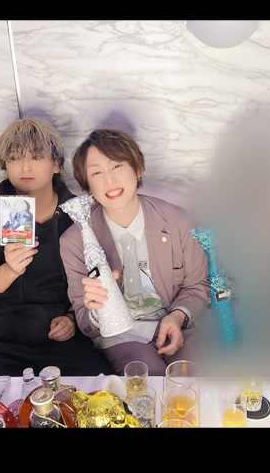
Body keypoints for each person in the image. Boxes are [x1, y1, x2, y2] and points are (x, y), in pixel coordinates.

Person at [0, 118, 113, 377]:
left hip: (58, 341)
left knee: (99, 386)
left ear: (56, 164)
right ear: (5, 167)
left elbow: (96, 280)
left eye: (36, 157)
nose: (25, 167)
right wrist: (9, 271)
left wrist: (71, 317)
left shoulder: (78, 215)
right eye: (15, 158)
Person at [60, 129, 210, 376]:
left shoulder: (178, 221)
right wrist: (96, 309)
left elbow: (197, 285)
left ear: (138, 169)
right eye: (96, 172)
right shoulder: (74, 241)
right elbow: (84, 319)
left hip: (178, 324)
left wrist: (177, 317)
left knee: (194, 376)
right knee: (147, 379)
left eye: (116, 166)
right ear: (87, 185)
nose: (109, 180)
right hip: (122, 335)